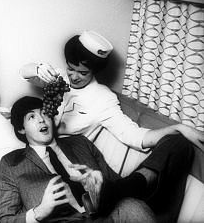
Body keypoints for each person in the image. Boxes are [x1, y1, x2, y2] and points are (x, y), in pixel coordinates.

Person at [20, 30, 201, 222]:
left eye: (83, 73)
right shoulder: (58, 79)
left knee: (179, 144)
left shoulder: (103, 98)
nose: (73, 77)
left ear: (94, 71)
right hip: (47, 158)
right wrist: (38, 68)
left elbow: (134, 136)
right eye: (70, 69)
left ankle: (123, 190)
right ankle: (125, 192)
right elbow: (25, 72)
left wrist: (180, 128)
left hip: (76, 161)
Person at [0, 96, 156, 223]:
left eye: (44, 113)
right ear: (21, 129)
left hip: (102, 215)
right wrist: (39, 211)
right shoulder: (12, 163)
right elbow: (1, 219)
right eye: (31, 117)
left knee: (133, 207)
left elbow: (116, 183)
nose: (41, 119)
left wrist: (99, 187)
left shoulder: (80, 142)